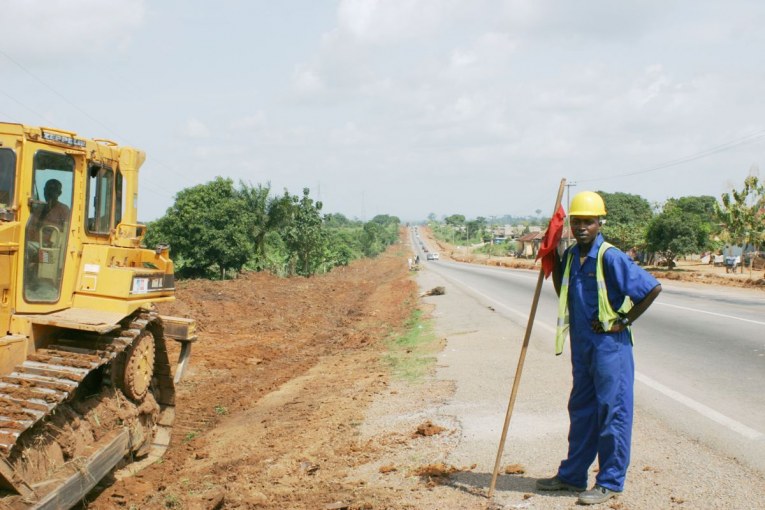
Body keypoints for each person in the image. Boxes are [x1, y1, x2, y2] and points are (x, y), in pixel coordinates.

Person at [536, 191, 662, 505]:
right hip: (583, 347)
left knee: (612, 413)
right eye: (576, 221)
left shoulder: (610, 256)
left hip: (610, 349)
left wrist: (624, 320)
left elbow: (652, 288)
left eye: (588, 222)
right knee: (581, 411)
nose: (581, 227)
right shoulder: (570, 258)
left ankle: (610, 482)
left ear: (599, 223)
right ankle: (572, 476)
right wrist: (552, 255)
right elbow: (563, 287)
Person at [28, 179, 70, 245]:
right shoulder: (38, 209)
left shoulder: (64, 210)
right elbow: (29, 229)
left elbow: (66, 233)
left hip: (51, 248)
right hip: (33, 245)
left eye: (52, 190)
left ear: (59, 193)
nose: (48, 192)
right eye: (46, 189)